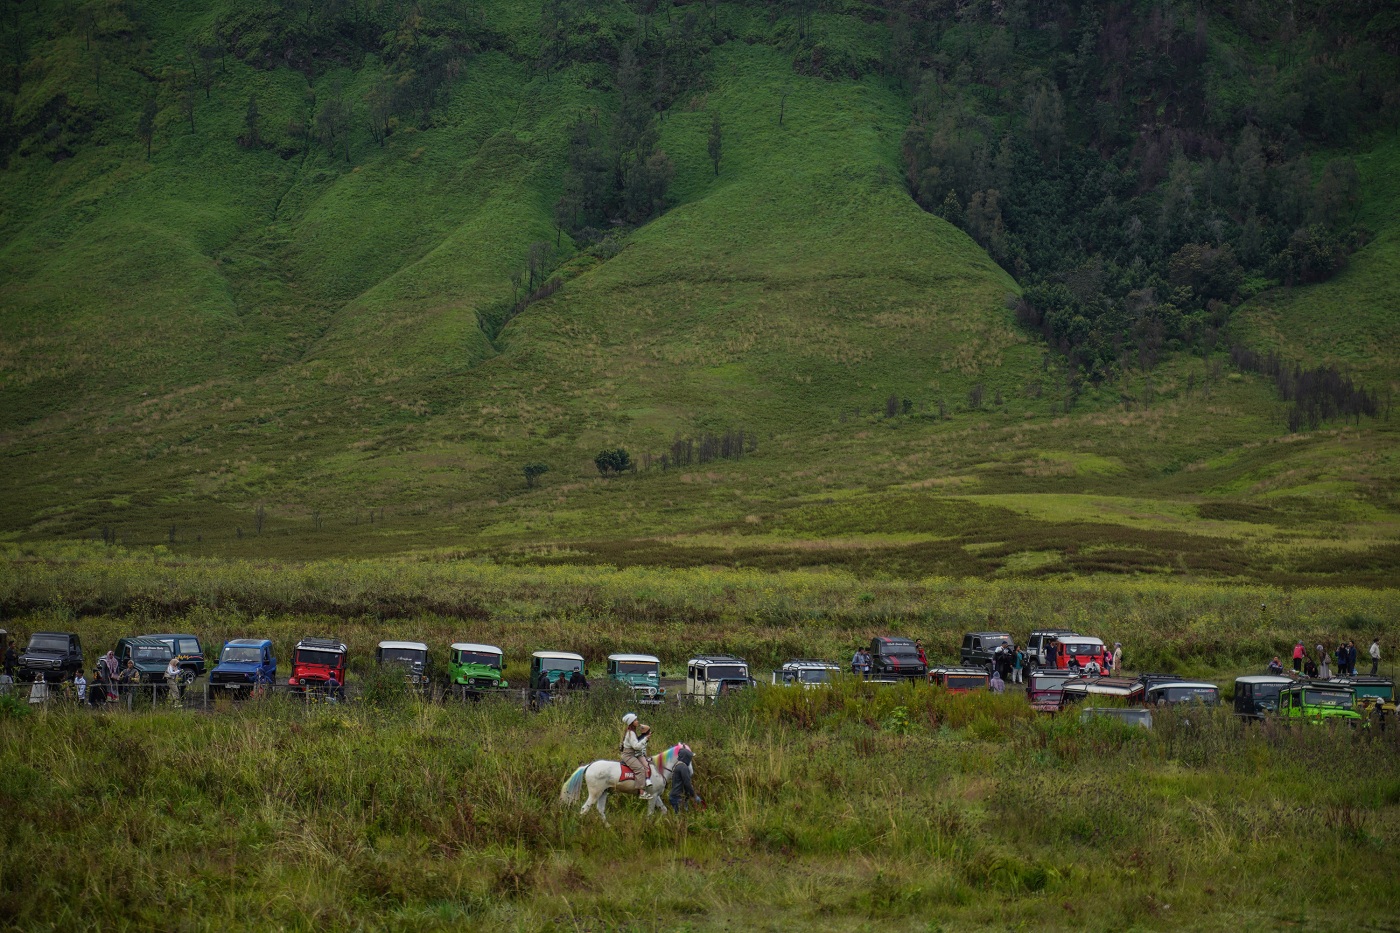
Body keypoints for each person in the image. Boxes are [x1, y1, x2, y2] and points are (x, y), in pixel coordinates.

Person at [619, 713, 652, 799]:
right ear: (631, 722)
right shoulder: (631, 733)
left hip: (629, 754)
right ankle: (641, 792)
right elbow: (636, 746)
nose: (637, 721)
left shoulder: (631, 732)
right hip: (628, 755)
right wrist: (645, 739)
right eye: (635, 720)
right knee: (640, 769)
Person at [668, 748, 702, 814]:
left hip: (675, 796)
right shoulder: (683, 767)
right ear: (686, 757)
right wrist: (694, 796)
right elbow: (687, 784)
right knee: (682, 818)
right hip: (678, 798)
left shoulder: (677, 765)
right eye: (689, 757)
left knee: (680, 818)